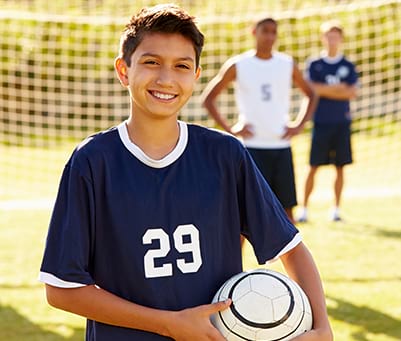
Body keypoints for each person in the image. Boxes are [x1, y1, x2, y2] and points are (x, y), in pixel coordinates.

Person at [39, 5, 332, 341]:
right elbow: (62, 288)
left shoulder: (224, 154)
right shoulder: (92, 162)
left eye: (182, 66)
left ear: (196, 75)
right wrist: (168, 323)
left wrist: (322, 328)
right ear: (123, 70)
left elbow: (291, 247)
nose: (166, 79)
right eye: (151, 62)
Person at [202, 17, 317, 224]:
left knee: (287, 216)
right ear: (254, 32)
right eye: (265, 31)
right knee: (244, 216)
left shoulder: (287, 63)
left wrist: (299, 125)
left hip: (281, 146)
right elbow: (208, 99)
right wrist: (231, 129)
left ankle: (285, 257)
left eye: (274, 32)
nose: (270, 36)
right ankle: (235, 258)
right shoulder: (239, 64)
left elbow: (311, 94)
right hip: (251, 148)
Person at [297, 20, 358, 223]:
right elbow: (312, 89)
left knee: (340, 167)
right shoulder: (315, 64)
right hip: (321, 122)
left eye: (336, 36)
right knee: (313, 166)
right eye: (328, 36)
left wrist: (325, 90)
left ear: (340, 39)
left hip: (341, 123)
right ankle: (304, 209)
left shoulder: (347, 65)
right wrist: (338, 89)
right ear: (323, 38)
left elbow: (352, 92)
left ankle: (336, 210)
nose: (332, 40)